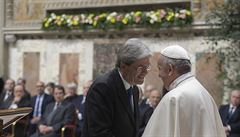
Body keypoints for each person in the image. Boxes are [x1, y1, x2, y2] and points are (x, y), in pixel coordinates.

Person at [142, 45, 226, 137]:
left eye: (160, 68)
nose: (159, 75)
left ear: (170, 69)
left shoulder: (173, 98)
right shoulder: (204, 93)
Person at [81, 38, 152, 137]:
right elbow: (99, 132)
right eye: (140, 68)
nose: (145, 72)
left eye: (147, 67)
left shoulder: (134, 89)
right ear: (123, 66)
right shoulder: (103, 87)